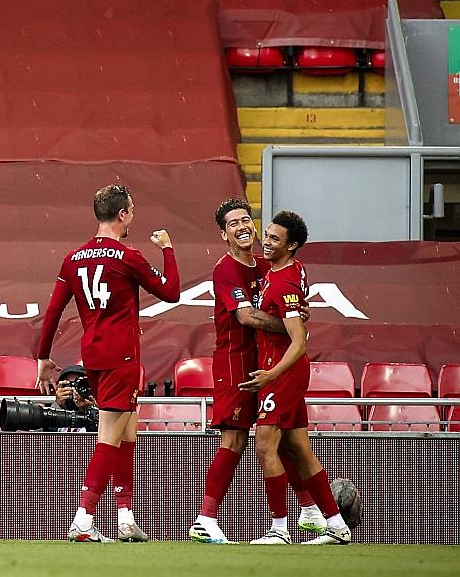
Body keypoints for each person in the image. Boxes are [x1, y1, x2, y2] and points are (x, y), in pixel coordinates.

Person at [35, 184, 180, 543]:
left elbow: (53, 312)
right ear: (123, 214)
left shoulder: (73, 258)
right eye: (132, 209)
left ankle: (125, 517)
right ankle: (83, 518)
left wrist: (42, 357)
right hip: (122, 357)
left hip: (94, 356)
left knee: (127, 432)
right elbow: (171, 292)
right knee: (109, 435)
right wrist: (167, 249)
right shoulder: (127, 256)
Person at [189, 199, 305, 544]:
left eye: (246, 220)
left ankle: (314, 513)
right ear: (224, 234)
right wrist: (293, 328)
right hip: (234, 363)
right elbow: (246, 317)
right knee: (236, 439)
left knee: (284, 439)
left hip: (264, 363)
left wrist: (295, 319)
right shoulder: (225, 269)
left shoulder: (264, 268)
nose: (242, 227)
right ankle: (205, 518)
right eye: (233, 223)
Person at [238, 211, 354, 546]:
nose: (267, 243)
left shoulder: (285, 283)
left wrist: (271, 375)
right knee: (300, 449)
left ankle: (279, 528)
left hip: (282, 371)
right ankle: (337, 526)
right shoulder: (283, 271)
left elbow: (300, 340)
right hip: (279, 370)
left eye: (275, 239)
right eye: (268, 235)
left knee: (264, 445)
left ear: (293, 245)